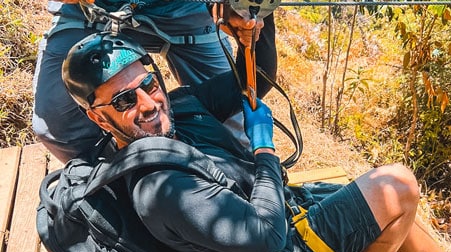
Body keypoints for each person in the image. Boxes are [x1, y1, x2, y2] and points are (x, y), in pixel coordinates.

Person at [61, 32, 451, 252]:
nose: (147, 103)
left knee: (388, 206)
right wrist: (263, 149)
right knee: (397, 185)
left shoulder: (180, 106)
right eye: (123, 101)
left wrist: (254, 30)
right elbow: (265, 234)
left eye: (148, 84)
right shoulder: (158, 188)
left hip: (276, 209)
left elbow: (252, 77)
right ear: (100, 118)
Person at [32, 0, 277, 163]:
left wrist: (245, 7)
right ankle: (108, 190)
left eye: (149, 86)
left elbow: (246, 84)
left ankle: (240, 185)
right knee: (55, 123)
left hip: (186, 8)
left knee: (235, 119)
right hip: (93, 8)